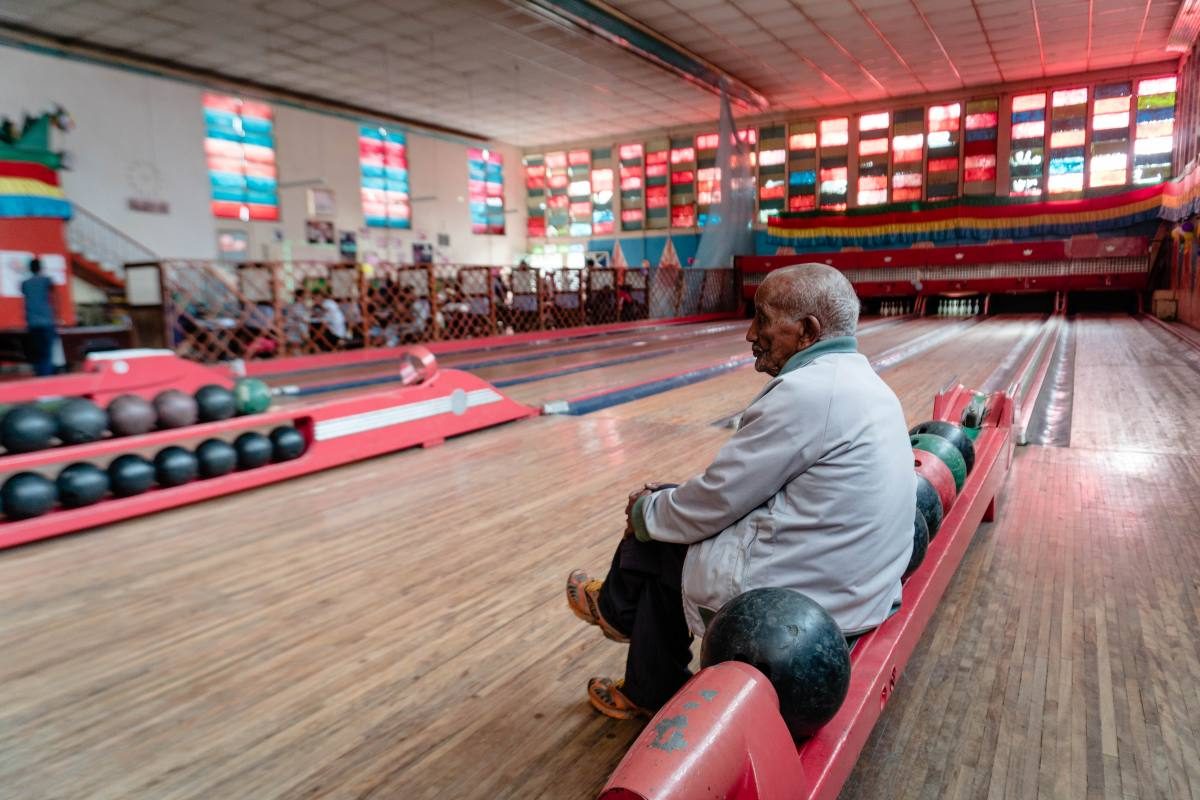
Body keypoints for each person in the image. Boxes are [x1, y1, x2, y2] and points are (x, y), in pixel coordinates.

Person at [566, 263, 915, 719]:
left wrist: (644, 511)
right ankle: (629, 645)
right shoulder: (865, 382)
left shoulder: (807, 393)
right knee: (668, 512)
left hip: (801, 614)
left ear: (807, 331)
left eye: (763, 319)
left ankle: (620, 620)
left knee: (657, 534)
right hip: (861, 586)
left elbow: (715, 501)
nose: (751, 332)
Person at [21, 258, 59, 376]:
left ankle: (40, 374)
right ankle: (46, 377)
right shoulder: (46, 280)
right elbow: (54, 298)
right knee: (47, 352)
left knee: (37, 351)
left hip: (32, 322)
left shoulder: (25, 283)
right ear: (41, 268)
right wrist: (56, 315)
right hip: (47, 321)